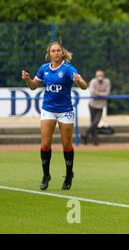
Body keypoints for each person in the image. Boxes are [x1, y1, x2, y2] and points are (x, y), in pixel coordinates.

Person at [22, 42, 88, 190]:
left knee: (66, 145)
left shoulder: (68, 69)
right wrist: (27, 79)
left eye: (58, 50)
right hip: (48, 109)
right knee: (45, 144)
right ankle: (46, 175)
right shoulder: (44, 69)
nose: (56, 53)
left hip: (65, 110)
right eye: (53, 51)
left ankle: (69, 174)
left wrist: (79, 81)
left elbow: (84, 86)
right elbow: (33, 86)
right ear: (49, 53)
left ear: (62, 53)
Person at [81, 70, 111, 145]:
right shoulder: (93, 82)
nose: (100, 77)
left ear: (103, 75)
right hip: (92, 105)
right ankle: (95, 141)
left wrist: (98, 93)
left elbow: (107, 93)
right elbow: (92, 93)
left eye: (101, 75)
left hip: (101, 106)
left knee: (96, 122)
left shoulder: (107, 82)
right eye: (98, 75)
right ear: (96, 76)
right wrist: (101, 94)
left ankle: (85, 134)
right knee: (93, 123)